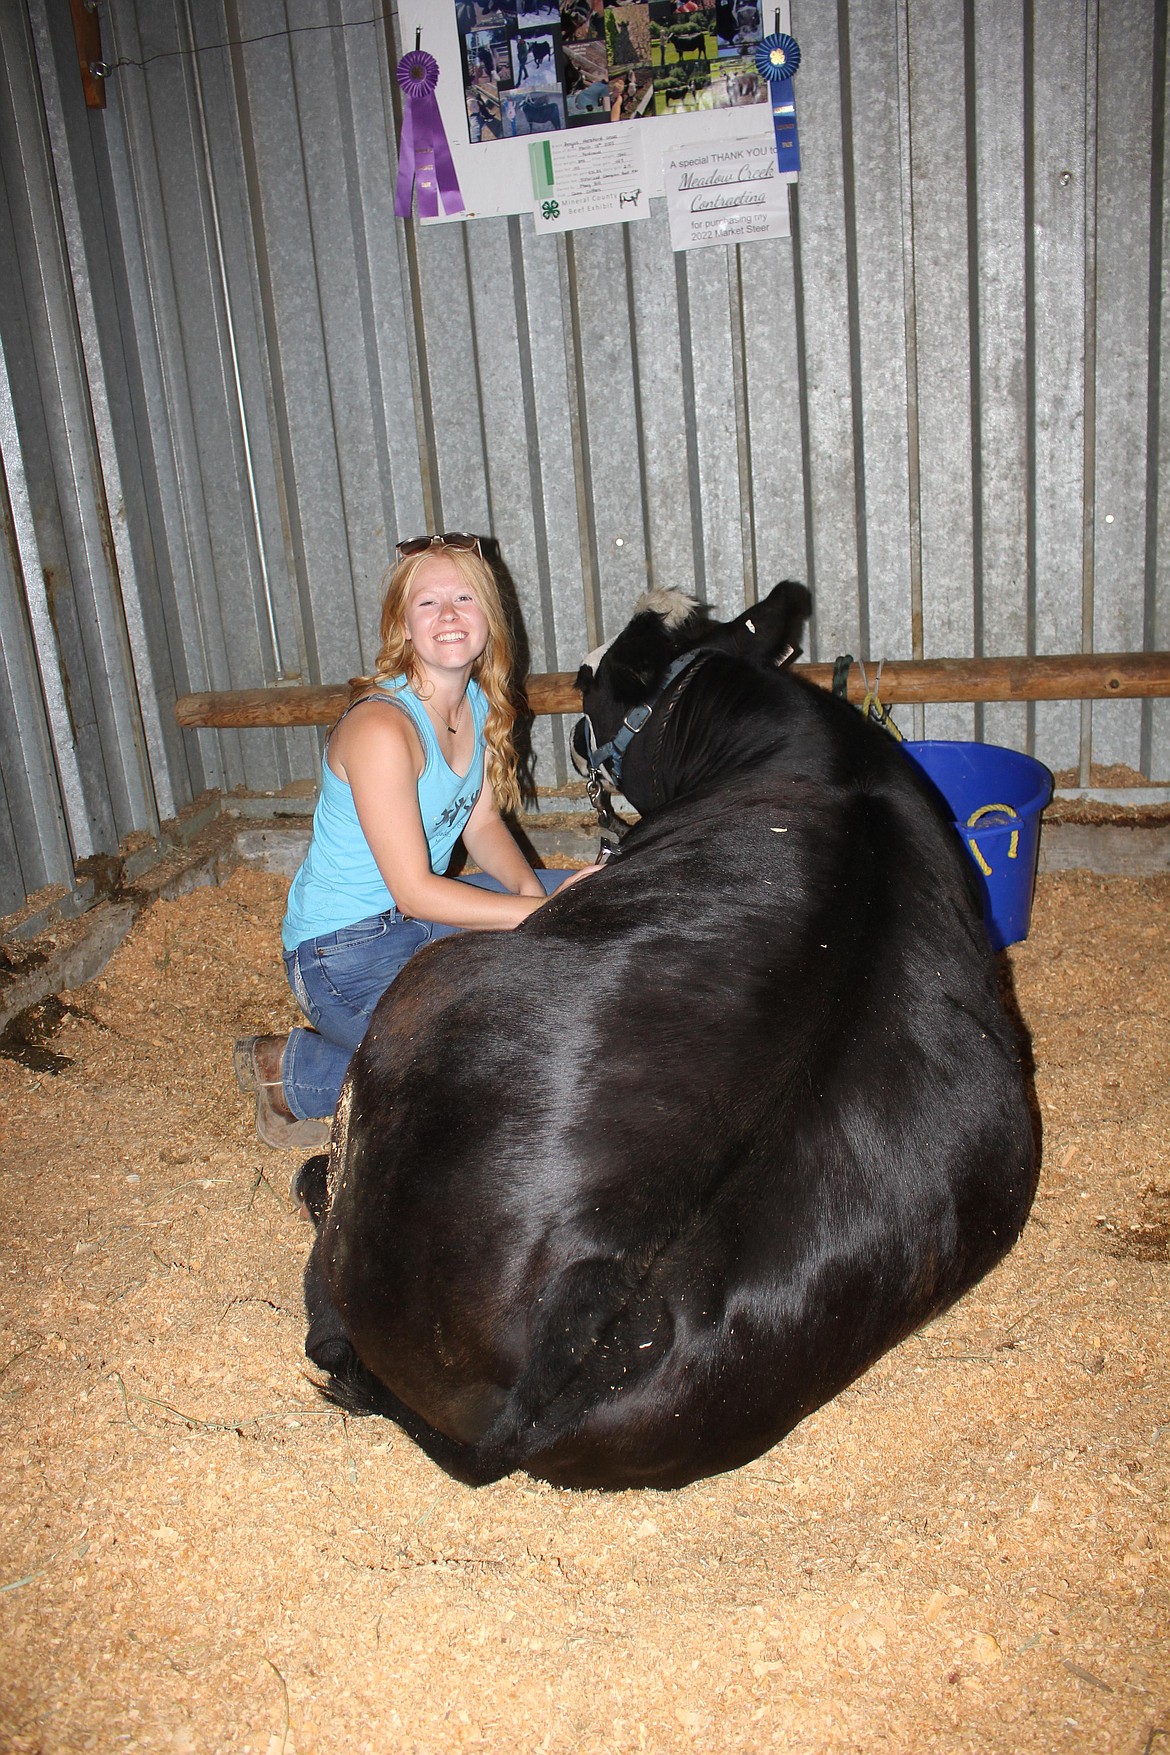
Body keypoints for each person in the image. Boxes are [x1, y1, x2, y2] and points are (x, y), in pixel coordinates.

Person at [234, 533, 596, 1149]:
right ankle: (291, 1073)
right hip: (340, 953)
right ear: (403, 625)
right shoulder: (381, 726)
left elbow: (481, 826)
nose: (449, 615)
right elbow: (415, 891)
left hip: (415, 923)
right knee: (484, 1075)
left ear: (489, 615)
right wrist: (538, 918)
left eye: (463, 597)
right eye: (428, 603)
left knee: (600, 903)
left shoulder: (475, 702)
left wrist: (535, 900)